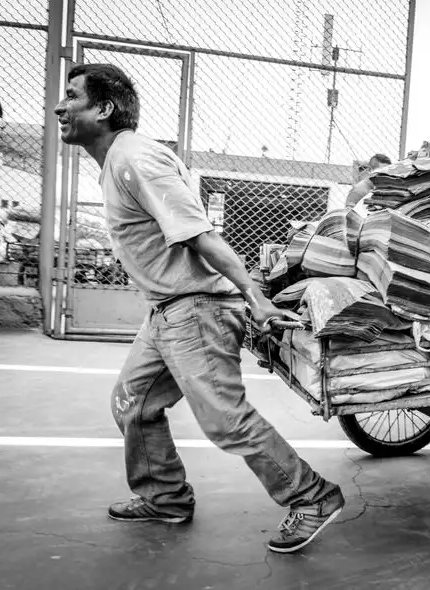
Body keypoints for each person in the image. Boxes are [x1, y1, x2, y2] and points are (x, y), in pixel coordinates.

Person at [54, 63, 345, 554]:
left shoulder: (137, 159)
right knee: (133, 403)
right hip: (166, 311)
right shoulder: (116, 162)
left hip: (197, 310)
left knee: (225, 420)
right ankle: (164, 497)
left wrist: (254, 296)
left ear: (103, 109)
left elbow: (200, 235)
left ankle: (313, 496)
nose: (60, 106)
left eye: (72, 96)